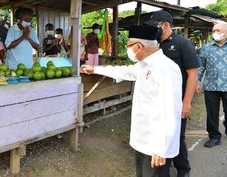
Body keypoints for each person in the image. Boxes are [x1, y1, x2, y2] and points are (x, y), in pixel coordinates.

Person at [82, 25, 182, 177]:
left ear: (138, 46)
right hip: (143, 137)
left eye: (128, 45)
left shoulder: (165, 68)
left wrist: (162, 147)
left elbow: (170, 110)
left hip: (156, 142)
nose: (127, 49)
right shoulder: (144, 65)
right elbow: (124, 71)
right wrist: (95, 69)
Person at [144, 10, 199, 177]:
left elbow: (192, 74)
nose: (154, 29)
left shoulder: (183, 43)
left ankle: (183, 169)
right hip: (156, 101)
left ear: (165, 25)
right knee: (159, 136)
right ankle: (163, 171)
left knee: (176, 137)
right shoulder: (153, 44)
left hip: (176, 101)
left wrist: (187, 103)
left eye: (156, 26)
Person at [196, 23, 227, 148]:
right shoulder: (206, 48)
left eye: (218, 30)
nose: (215, 32)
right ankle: (214, 137)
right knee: (212, 113)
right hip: (211, 87)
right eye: (214, 30)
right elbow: (200, 66)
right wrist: (197, 82)